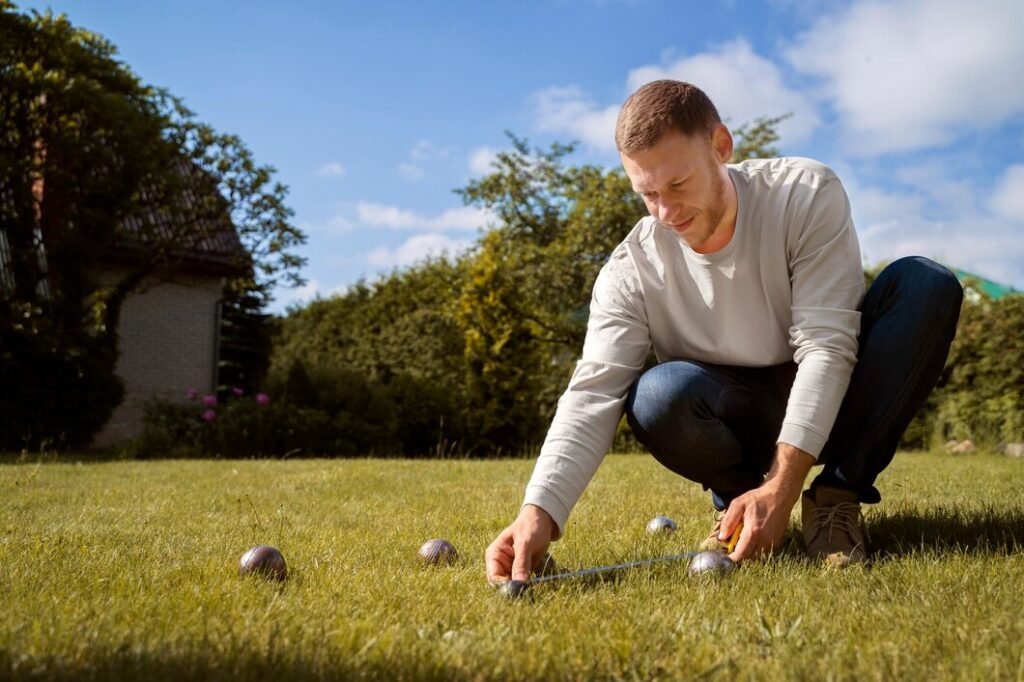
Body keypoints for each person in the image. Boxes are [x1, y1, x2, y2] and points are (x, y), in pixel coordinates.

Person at [485, 80, 963, 584]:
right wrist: (540, 510)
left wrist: (783, 487)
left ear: (721, 147)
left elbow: (826, 346)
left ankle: (835, 497)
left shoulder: (804, 193)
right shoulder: (630, 269)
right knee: (658, 394)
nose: (665, 213)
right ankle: (739, 505)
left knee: (925, 284)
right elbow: (593, 392)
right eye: (647, 194)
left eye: (677, 185)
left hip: (838, 395)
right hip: (740, 412)